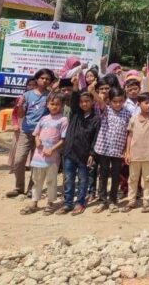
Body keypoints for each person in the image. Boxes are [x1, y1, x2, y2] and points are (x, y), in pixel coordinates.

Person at [8, 68, 53, 199]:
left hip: (41, 134)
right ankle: (19, 187)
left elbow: (53, 111)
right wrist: (20, 106)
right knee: (19, 160)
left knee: (37, 163)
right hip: (26, 132)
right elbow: (21, 115)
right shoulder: (27, 95)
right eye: (42, 78)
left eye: (47, 79)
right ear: (37, 79)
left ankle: (31, 189)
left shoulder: (50, 96)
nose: (44, 81)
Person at [20, 92, 67, 215]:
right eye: (52, 104)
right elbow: (36, 134)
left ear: (62, 105)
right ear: (47, 105)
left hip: (53, 157)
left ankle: (50, 203)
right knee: (37, 180)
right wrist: (37, 141)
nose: (54, 106)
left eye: (57, 104)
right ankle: (34, 202)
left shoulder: (63, 120)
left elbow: (63, 139)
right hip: (38, 156)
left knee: (51, 181)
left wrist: (52, 149)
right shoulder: (43, 119)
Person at [59, 87, 99, 215]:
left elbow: (96, 138)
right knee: (68, 179)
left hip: (84, 154)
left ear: (93, 102)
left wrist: (92, 154)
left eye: (87, 101)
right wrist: (75, 86)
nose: (84, 104)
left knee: (83, 179)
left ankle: (80, 203)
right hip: (70, 151)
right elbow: (74, 98)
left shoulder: (96, 119)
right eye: (82, 101)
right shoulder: (75, 113)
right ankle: (67, 203)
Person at [123, 92, 149, 213]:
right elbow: (130, 136)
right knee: (133, 178)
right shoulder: (133, 119)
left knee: (147, 179)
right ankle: (131, 200)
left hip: (148, 154)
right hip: (135, 154)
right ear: (139, 104)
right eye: (146, 103)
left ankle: (146, 202)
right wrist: (127, 152)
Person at [92, 86, 131, 213]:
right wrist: (92, 91)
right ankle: (102, 200)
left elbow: (128, 133)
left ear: (124, 100)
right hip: (104, 148)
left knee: (115, 175)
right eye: (115, 101)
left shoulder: (127, 113)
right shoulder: (106, 110)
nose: (118, 104)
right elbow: (100, 101)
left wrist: (126, 150)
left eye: (120, 101)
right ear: (109, 101)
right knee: (103, 174)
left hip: (118, 150)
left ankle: (113, 201)